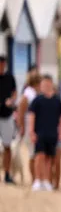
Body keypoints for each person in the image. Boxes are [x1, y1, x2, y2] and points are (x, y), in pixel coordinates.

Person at [27, 75, 61, 192]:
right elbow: (31, 116)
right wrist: (31, 131)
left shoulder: (57, 100)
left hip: (52, 133)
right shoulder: (37, 100)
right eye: (43, 84)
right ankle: (38, 180)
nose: (46, 86)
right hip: (40, 133)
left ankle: (46, 180)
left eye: (48, 84)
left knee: (49, 158)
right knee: (39, 156)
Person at [16, 71, 41, 181]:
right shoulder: (28, 94)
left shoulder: (34, 93)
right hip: (28, 127)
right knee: (32, 153)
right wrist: (21, 127)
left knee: (35, 153)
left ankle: (36, 177)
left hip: (35, 126)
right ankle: (34, 177)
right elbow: (21, 111)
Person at [0, 56, 18, 184]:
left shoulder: (9, 77)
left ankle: (7, 173)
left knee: (7, 146)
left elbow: (14, 92)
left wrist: (12, 100)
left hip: (7, 115)